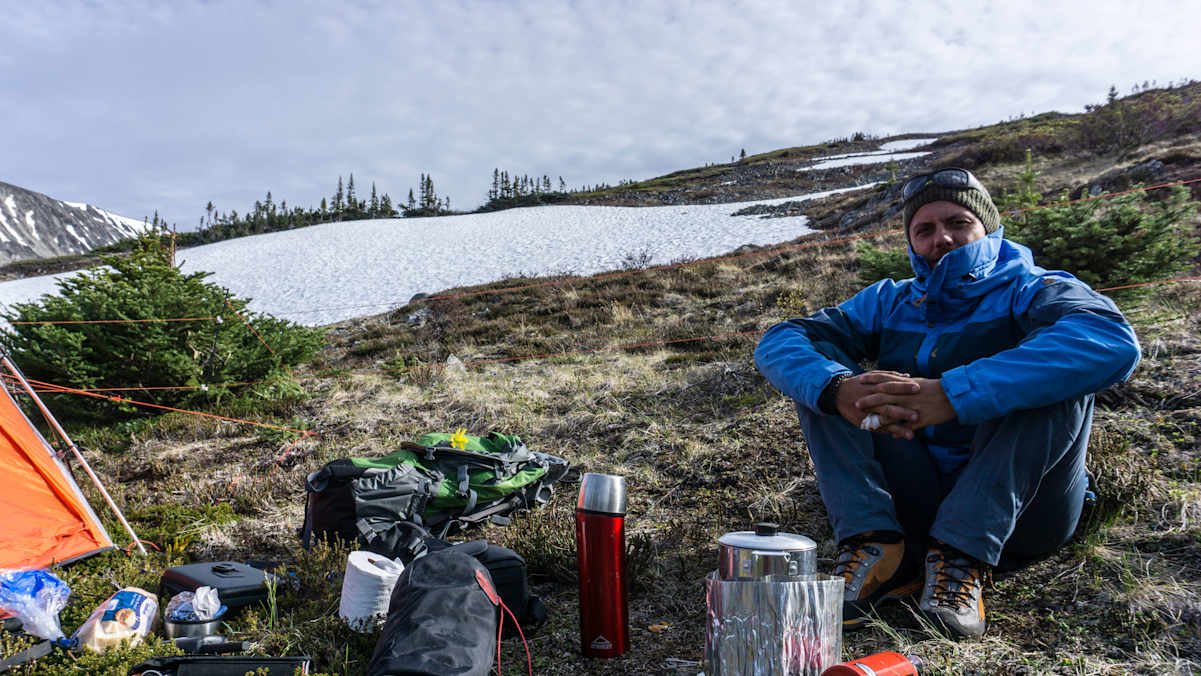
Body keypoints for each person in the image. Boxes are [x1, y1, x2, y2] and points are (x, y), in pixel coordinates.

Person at [753, 167, 1141, 638]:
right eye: (925, 229)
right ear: (912, 242)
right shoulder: (890, 300)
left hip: (1025, 510)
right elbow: (782, 339)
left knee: (1059, 380)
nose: (943, 238)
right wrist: (839, 390)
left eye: (959, 223)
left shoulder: (1034, 288)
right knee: (826, 385)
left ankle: (962, 559)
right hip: (916, 496)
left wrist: (954, 395)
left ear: (987, 228)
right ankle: (875, 545)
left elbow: (1110, 340)